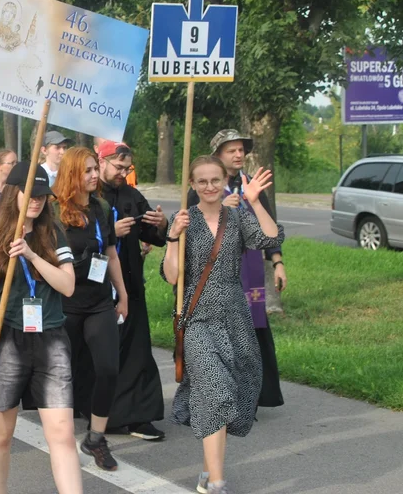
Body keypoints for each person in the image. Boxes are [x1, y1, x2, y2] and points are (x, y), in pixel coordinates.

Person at [164, 156, 285, 494]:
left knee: (231, 392)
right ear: (191, 184)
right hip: (198, 318)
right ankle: (217, 483)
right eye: (201, 181)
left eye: (215, 180)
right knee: (215, 391)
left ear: (223, 181)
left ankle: (207, 471)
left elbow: (271, 237)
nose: (209, 187)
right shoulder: (183, 219)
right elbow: (171, 276)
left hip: (235, 316)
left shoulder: (238, 217)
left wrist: (255, 201)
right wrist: (172, 238)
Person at [0, 161, 81, 494]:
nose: (36, 201)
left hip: (52, 339)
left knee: (62, 432)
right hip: (6, 342)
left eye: (42, 195)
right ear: (13, 193)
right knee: (1, 434)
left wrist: (32, 256)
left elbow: (68, 286)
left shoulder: (53, 232)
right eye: (30, 194)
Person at [189, 130, 288, 410]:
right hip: (216, 276)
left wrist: (278, 262)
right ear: (217, 156)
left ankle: (255, 395)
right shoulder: (205, 186)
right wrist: (220, 207)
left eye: (241, 150)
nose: (238, 155)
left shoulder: (250, 185)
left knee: (253, 332)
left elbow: (267, 225)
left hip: (251, 271)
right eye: (231, 150)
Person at [52, 147, 128, 470]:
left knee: (108, 369)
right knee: (62, 375)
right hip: (64, 303)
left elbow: (111, 253)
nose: (94, 175)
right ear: (71, 173)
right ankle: (62, 438)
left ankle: (96, 438)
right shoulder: (53, 211)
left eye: (95, 169)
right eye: (87, 171)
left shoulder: (102, 207)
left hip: (98, 301)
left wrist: (121, 295)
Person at [96, 141, 168, 440]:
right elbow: (75, 237)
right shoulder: (89, 194)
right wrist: (112, 232)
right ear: (102, 162)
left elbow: (154, 235)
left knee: (137, 350)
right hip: (97, 287)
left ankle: (140, 416)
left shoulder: (132, 195)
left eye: (127, 169)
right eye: (118, 167)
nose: (122, 174)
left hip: (131, 284)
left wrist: (162, 224)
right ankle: (104, 414)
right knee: (105, 355)